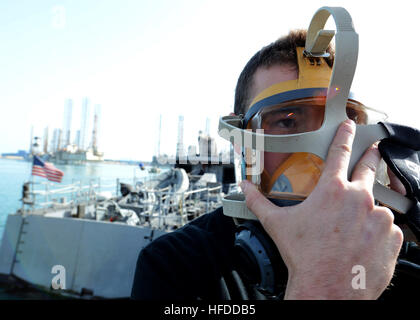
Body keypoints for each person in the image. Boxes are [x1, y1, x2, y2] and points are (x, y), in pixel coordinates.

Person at [130, 30, 411, 300]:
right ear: (240, 139)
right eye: (287, 121)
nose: (322, 155)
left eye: (342, 123)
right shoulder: (176, 265)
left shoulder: (396, 247)